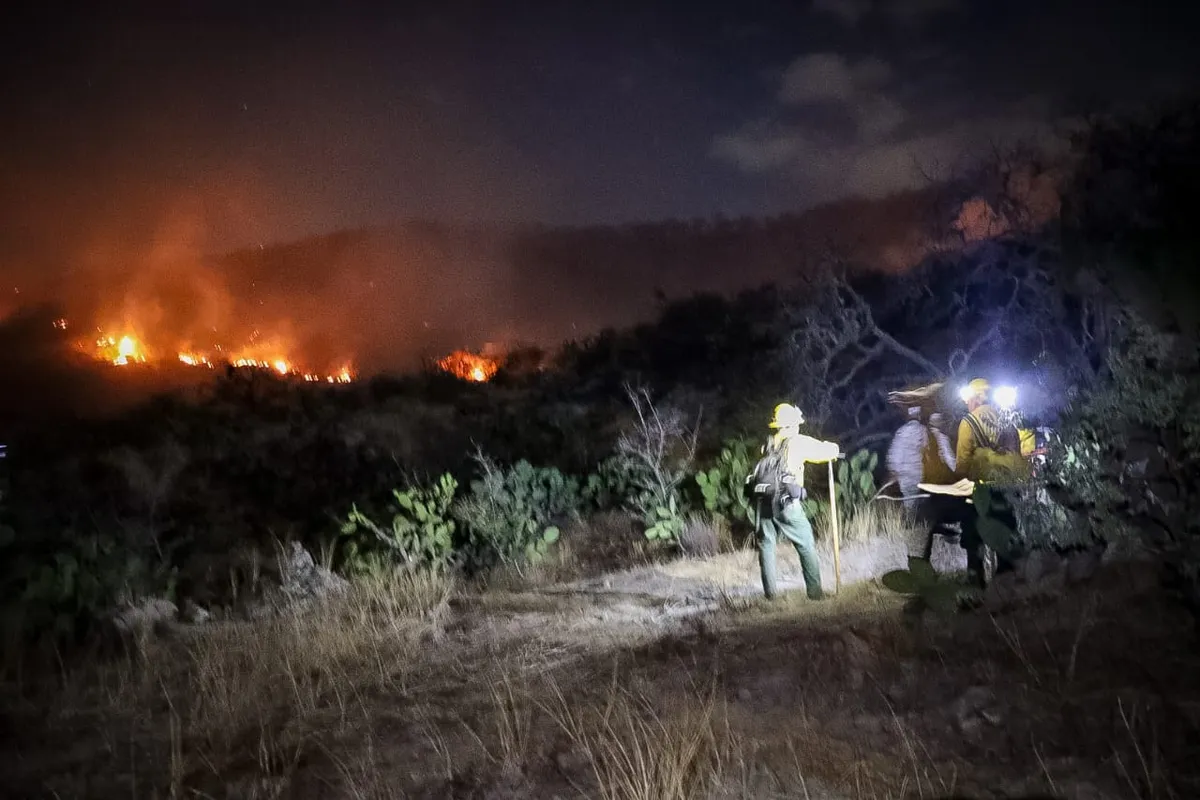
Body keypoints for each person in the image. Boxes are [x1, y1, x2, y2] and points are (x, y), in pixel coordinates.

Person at [745, 403, 840, 600]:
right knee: (805, 543)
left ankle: (771, 595)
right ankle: (815, 593)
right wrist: (835, 449)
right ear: (793, 424)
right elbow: (827, 451)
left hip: (763, 503)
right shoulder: (797, 442)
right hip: (786, 504)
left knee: (767, 545)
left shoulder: (767, 445)